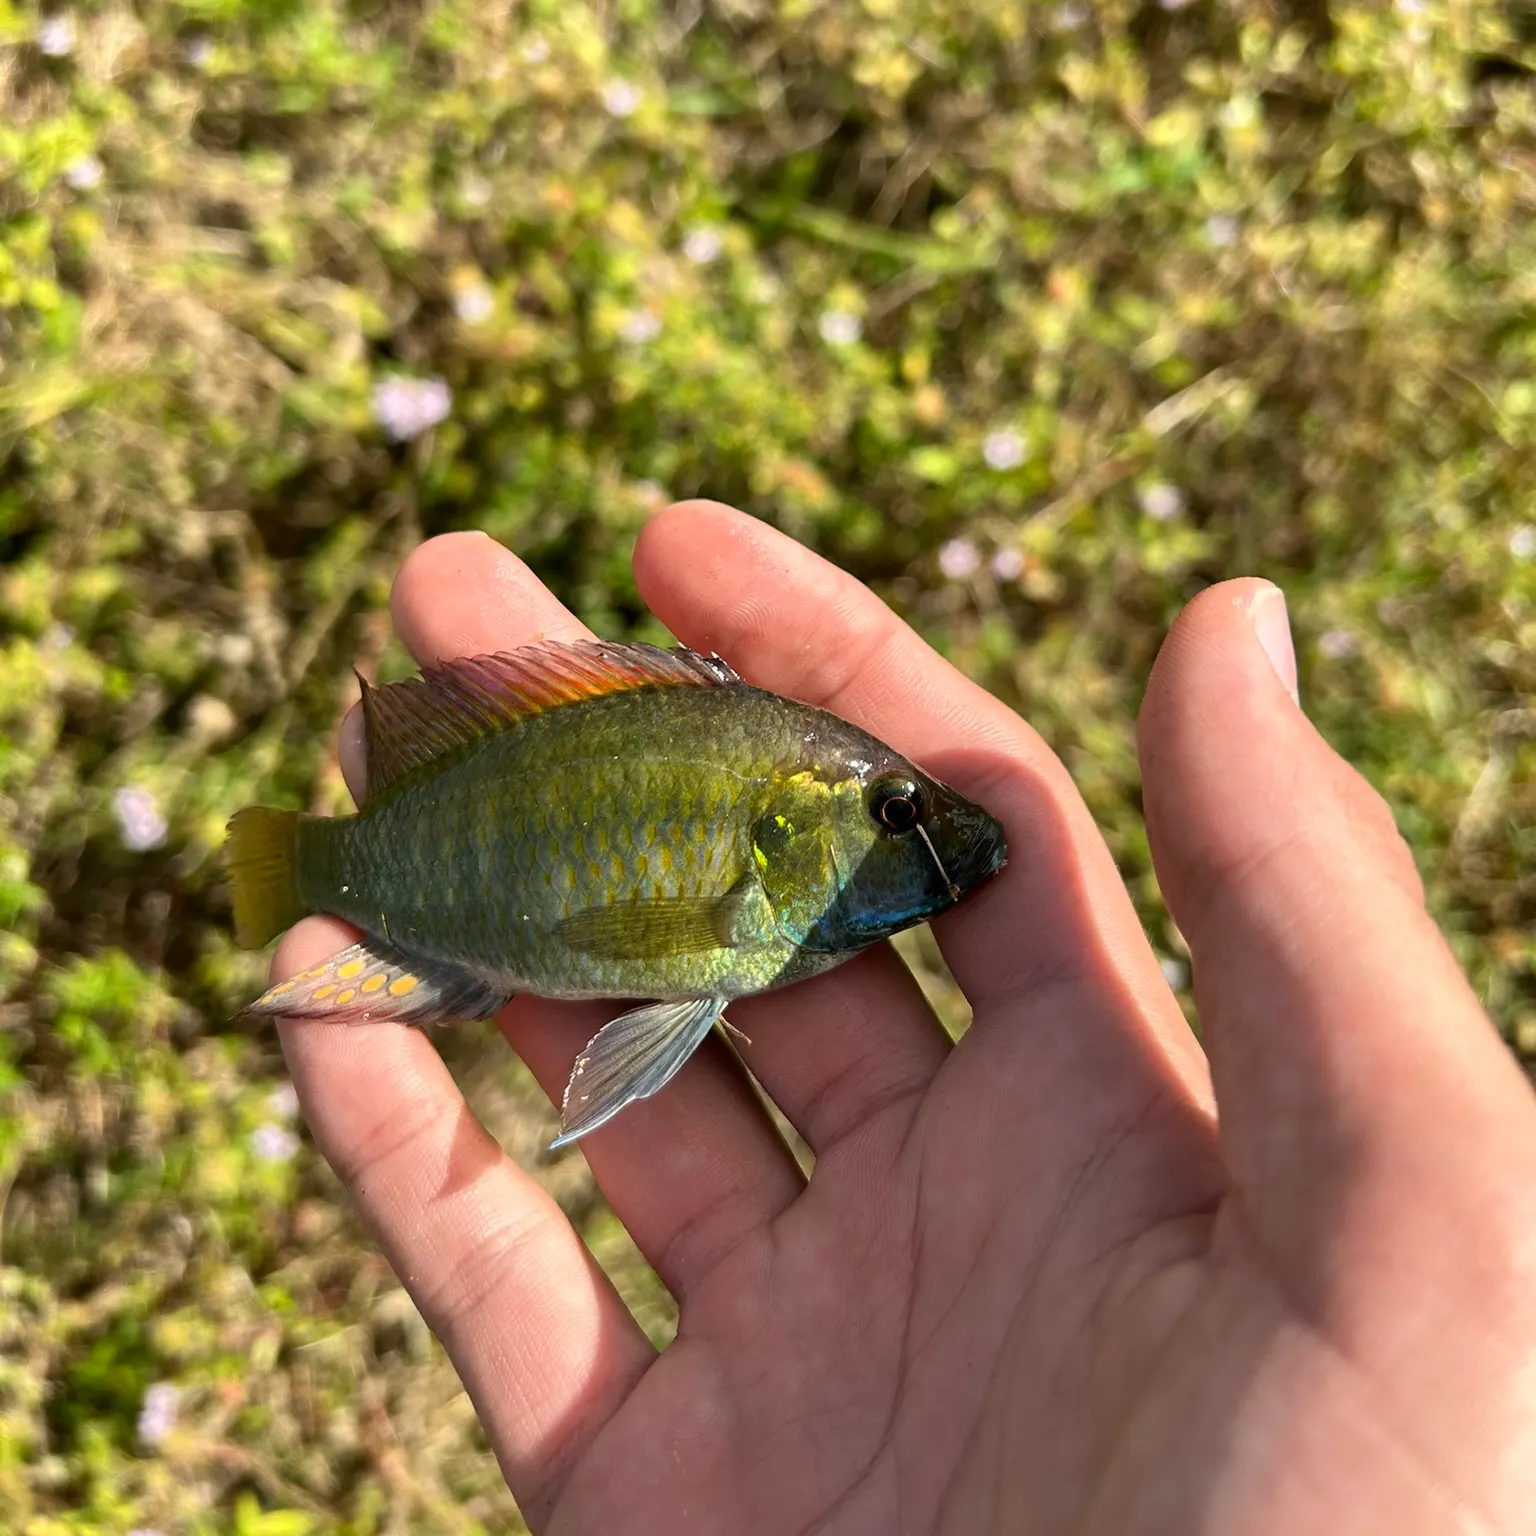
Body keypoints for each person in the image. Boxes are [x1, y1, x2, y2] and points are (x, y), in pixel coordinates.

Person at [272, 503, 1536, 1533]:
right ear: (787, 829)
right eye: (891, 814)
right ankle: (303, 871)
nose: (926, 834)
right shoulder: (749, 852)